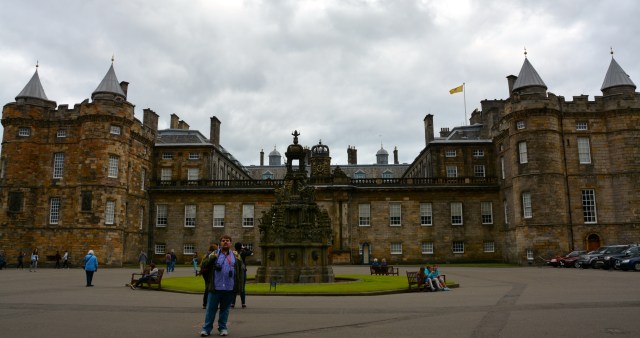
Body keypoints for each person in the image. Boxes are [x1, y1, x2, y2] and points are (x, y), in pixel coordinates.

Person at [200, 235, 244, 337]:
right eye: (223, 241)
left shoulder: (236, 255)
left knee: (225, 310)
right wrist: (212, 257)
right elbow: (204, 265)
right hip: (215, 287)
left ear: (230, 243)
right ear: (220, 243)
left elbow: (240, 271)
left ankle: (222, 328)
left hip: (229, 287)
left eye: (227, 241)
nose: (225, 242)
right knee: (211, 309)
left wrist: (239, 287)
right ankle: (206, 329)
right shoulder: (214, 253)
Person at [231, 242, 251, 309]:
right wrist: (244, 247)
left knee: (234, 287)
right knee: (242, 287)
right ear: (241, 247)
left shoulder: (233, 253)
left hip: (235, 271)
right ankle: (243, 303)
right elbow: (250, 252)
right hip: (242, 271)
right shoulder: (243, 253)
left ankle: (232, 303)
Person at [200, 244, 218, 309]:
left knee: (207, 287)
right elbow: (207, 263)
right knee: (209, 288)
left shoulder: (207, 254)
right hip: (208, 272)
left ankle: (205, 304)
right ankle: (206, 303)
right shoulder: (211, 255)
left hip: (204, 272)